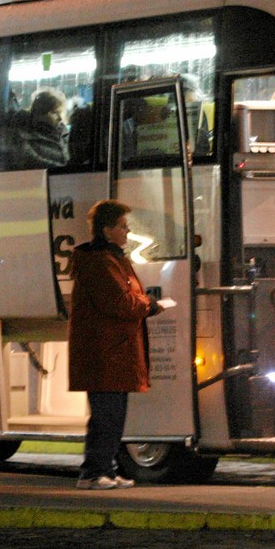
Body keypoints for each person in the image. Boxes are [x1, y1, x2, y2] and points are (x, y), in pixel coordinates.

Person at [68, 199, 162, 490]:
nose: (127, 231)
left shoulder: (111, 259)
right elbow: (119, 303)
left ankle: (104, 469)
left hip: (113, 351)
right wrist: (149, 304)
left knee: (112, 415)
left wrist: (144, 304)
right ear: (107, 230)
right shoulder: (99, 262)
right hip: (104, 352)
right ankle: (94, 472)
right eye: (123, 226)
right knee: (106, 415)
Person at [0, 87, 69, 170]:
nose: (60, 118)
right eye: (54, 113)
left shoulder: (64, 133)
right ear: (39, 113)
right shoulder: (24, 135)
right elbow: (31, 161)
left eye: (61, 112)